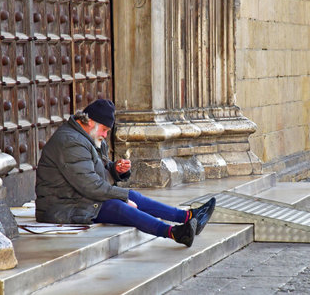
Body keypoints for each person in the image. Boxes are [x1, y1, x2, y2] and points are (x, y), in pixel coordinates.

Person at [35, 99, 216, 247]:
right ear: (90, 123)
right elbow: (90, 185)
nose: (105, 135)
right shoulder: (70, 143)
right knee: (119, 205)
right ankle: (175, 233)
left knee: (131, 196)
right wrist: (123, 198)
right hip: (61, 207)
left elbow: (96, 172)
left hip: (79, 197)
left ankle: (188, 217)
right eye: (104, 130)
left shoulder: (87, 138)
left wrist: (115, 169)